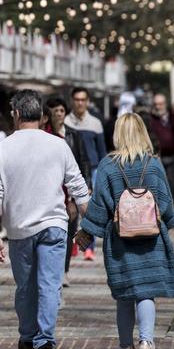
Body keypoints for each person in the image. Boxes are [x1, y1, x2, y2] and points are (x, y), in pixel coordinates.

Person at [0, 90, 91, 349]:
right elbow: (79, 189)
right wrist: (90, 226)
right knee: (49, 287)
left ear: (16, 114)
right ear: (42, 115)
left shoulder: (3, 147)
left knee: (27, 288)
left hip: (19, 228)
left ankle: (32, 338)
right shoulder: (58, 144)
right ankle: (41, 344)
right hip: (56, 225)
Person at [76, 114, 174, 349]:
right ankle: (146, 344)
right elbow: (165, 204)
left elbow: (99, 205)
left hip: (120, 241)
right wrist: (170, 221)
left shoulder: (108, 166)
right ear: (143, 133)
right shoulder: (153, 165)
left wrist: (87, 232)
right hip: (151, 240)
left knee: (124, 294)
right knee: (146, 292)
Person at [44, 95, 86, 286]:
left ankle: (64, 271)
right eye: (55, 111)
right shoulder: (45, 135)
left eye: (62, 110)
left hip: (70, 192)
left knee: (69, 231)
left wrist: (79, 194)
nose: (59, 114)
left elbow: (81, 162)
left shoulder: (73, 135)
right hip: (50, 193)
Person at [65, 86, 105, 260]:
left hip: (93, 170)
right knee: (70, 205)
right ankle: (73, 243)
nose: (80, 103)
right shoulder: (66, 121)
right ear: (72, 101)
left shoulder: (95, 123)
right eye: (77, 99)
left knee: (91, 207)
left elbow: (102, 150)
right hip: (71, 169)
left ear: (87, 101)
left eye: (83, 99)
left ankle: (89, 246)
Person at [146, 94, 174, 214]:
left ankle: (173, 212)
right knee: (158, 186)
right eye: (155, 104)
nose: (158, 107)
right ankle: (160, 213)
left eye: (160, 104)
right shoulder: (150, 119)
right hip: (156, 157)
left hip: (173, 157)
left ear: (165, 104)